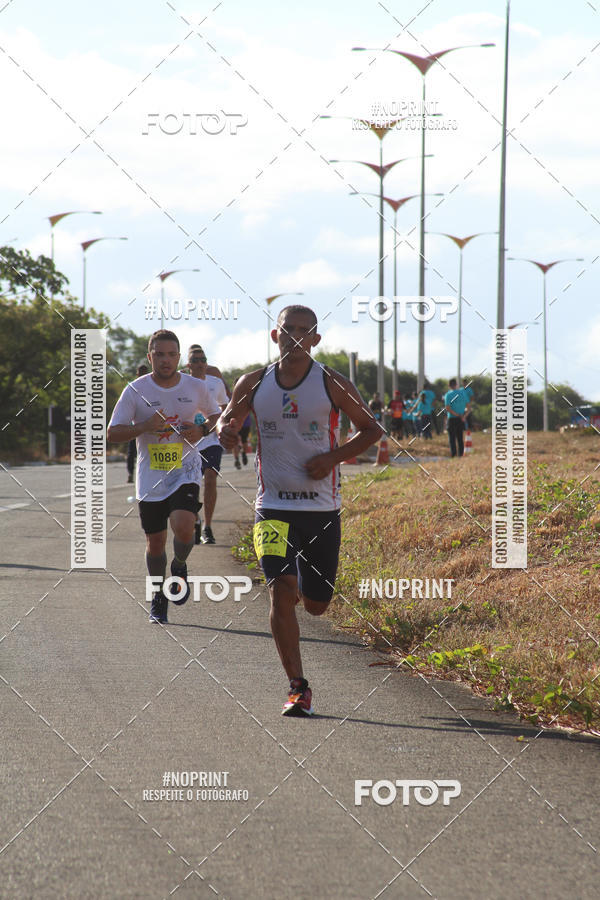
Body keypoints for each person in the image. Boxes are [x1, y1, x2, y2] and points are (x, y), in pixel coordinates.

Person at [217, 305, 381, 716]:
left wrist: (333, 458)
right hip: (270, 508)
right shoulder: (254, 382)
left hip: (321, 511)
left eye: (302, 332)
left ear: (315, 340)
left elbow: (373, 430)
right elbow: (228, 419)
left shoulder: (331, 383)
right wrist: (227, 433)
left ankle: (312, 595)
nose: (293, 337)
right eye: (286, 330)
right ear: (275, 336)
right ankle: (298, 687)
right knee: (281, 590)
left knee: (315, 604)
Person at [107, 330, 221, 623]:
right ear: (150, 357)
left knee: (183, 526)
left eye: (172, 354)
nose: (166, 360)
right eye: (160, 354)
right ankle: (158, 596)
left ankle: (180, 565)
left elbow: (216, 415)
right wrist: (144, 425)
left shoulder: (196, 387)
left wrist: (202, 430)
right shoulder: (135, 390)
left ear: (179, 357)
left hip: (185, 469)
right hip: (151, 475)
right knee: (155, 544)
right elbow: (113, 433)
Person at [187, 347, 229, 545]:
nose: (200, 363)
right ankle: (195, 518)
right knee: (191, 483)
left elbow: (225, 406)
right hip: (187, 442)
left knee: (210, 478)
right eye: (195, 360)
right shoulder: (180, 383)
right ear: (188, 365)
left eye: (203, 359)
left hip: (211, 440)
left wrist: (218, 424)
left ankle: (208, 527)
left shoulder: (216, 383)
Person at [126, 364, 149, 481]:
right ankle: (130, 473)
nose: (143, 374)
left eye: (145, 372)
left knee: (147, 451)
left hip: (149, 426)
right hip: (134, 427)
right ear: (137, 374)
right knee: (132, 452)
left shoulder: (152, 387)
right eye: (141, 372)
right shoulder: (131, 387)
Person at [444, 378, 470, 458]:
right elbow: (469, 408)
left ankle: (453, 454)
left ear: (449, 385)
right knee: (460, 437)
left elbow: (448, 408)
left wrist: (456, 414)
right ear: (456, 384)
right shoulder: (463, 393)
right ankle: (461, 454)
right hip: (461, 418)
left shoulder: (448, 394)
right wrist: (463, 416)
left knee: (452, 438)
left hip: (452, 418)